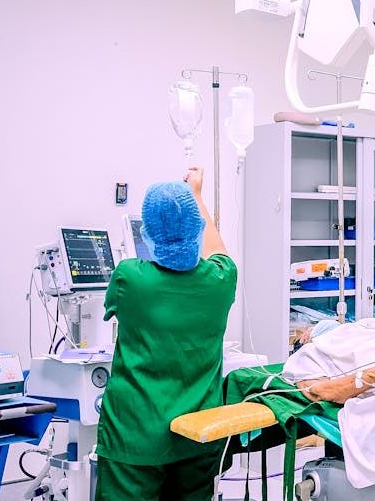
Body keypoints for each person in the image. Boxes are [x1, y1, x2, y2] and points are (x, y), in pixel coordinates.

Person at [95, 167, 237, 501]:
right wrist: (198, 195)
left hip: (134, 439)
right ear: (197, 227)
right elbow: (217, 249)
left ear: (147, 233)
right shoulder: (221, 279)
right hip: (197, 436)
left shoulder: (130, 278)